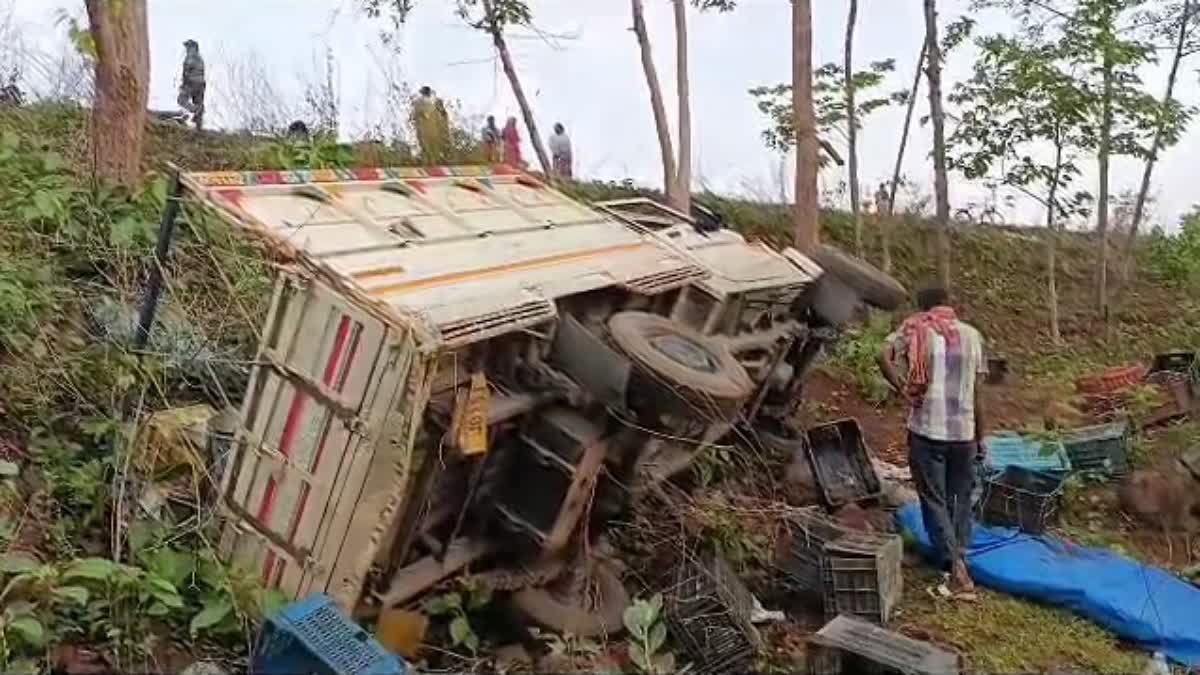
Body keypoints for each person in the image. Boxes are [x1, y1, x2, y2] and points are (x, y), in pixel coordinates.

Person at [877, 286, 986, 597]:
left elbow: (881, 354)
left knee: (934, 499)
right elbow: (978, 392)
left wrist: (900, 386)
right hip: (963, 433)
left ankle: (956, 569)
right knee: (960, 498)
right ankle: (959, 554)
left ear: (920, 307)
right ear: (948, 304)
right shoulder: (972, 335)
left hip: (927, 431)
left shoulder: (914, 329)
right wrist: (981, 435)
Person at [411, 86, 449, 164]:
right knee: (432, 149)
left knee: (426, 149)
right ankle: (433, 163)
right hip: (433, 130)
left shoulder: (419, 102)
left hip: (425, 130)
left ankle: (429, 163)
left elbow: (415, 116)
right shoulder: (433, 103)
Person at [177, 39, 206, 130]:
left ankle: (196, 110)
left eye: (188, 46)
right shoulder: (200, 58)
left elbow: (186, 71)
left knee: (181, 100)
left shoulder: (190, 57)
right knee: (198, 102)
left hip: (191, 82)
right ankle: (199, 127)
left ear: (193, 47)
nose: (186, 49)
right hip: (201, 83)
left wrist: (183, 84)